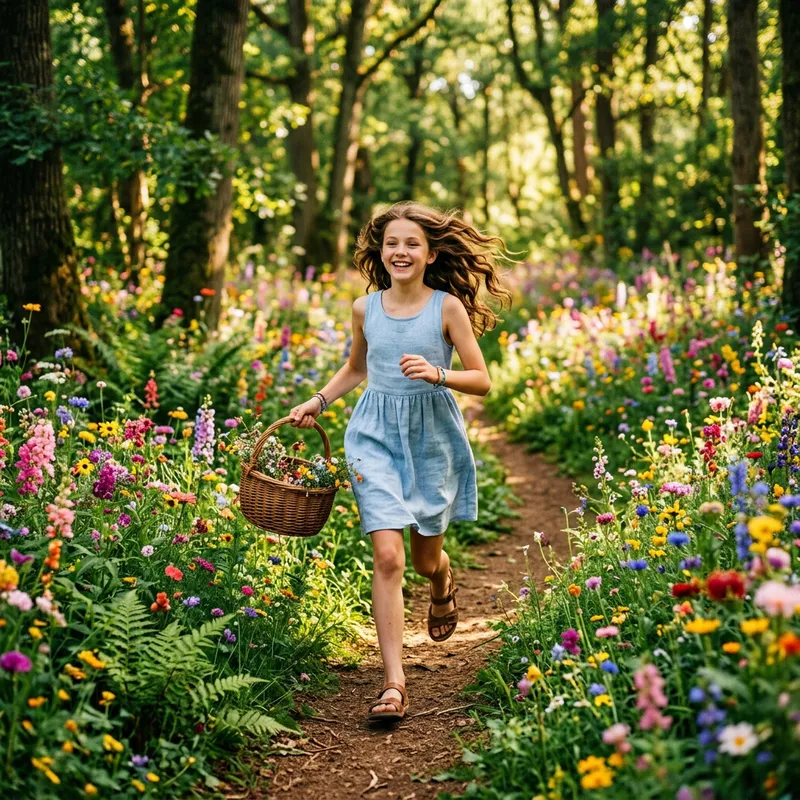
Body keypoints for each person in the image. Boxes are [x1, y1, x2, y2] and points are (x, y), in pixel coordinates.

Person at [288, 201, 512, 722]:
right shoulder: (365, 308)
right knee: (388, 556)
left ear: (431, 252)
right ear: (380, 251)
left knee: (424, 559)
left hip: (431, 438)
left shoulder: (447, 308)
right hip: (372, 436)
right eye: (392, 243)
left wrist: (439, 373)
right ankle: (393, 683)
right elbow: (355, 368)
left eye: (412, 243)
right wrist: (317, 401)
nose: (401, 251)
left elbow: (482, 379)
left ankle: (441, 579)